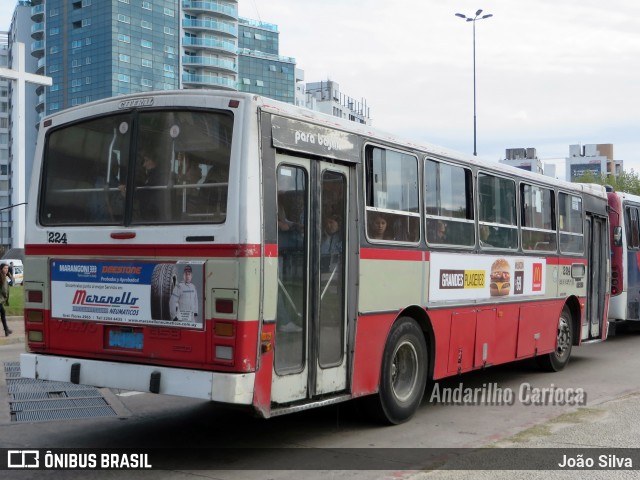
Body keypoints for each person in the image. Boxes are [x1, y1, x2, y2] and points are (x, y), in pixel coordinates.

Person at [0, 263, 12, 336]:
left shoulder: (4, 276)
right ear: (1, 269)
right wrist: (5, 296)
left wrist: (9, 275)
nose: (6, 270)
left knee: (3, 313)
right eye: (5, 268)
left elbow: (12, 281)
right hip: (0, 300)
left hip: (1, 300)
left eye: (7, 268)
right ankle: (6, 330)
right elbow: (4, 290)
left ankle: (6, 330)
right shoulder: (2, 277)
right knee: (3, 314)